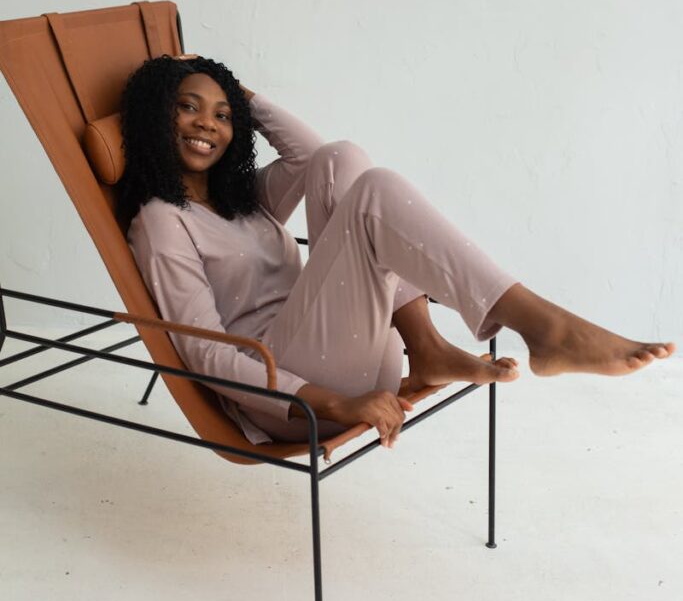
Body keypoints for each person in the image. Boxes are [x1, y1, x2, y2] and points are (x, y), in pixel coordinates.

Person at [119, 55, 675, 450]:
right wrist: (331, 405)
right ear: (154, 118)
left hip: (348, 354)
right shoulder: (160, 222)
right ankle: (543, 327)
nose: (207, 125)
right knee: (375, 192)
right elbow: (205, 355)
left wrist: (243, 95)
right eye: (187, 108)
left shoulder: (244, 199)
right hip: (295, 398)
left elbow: (314, 156)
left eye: (221, 116)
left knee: (343, 158)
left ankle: (427, 346)